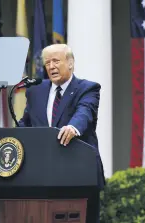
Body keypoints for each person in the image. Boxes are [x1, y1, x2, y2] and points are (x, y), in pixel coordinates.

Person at [18, 43, 105, 223]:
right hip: (42, 176)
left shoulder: (87, 88)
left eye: (56, 61)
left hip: (79, 173)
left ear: (71, 63)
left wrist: (73, 127)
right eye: (47, 62)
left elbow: (85, 112)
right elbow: (26, 122)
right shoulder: (36, 91)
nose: (51, 66)